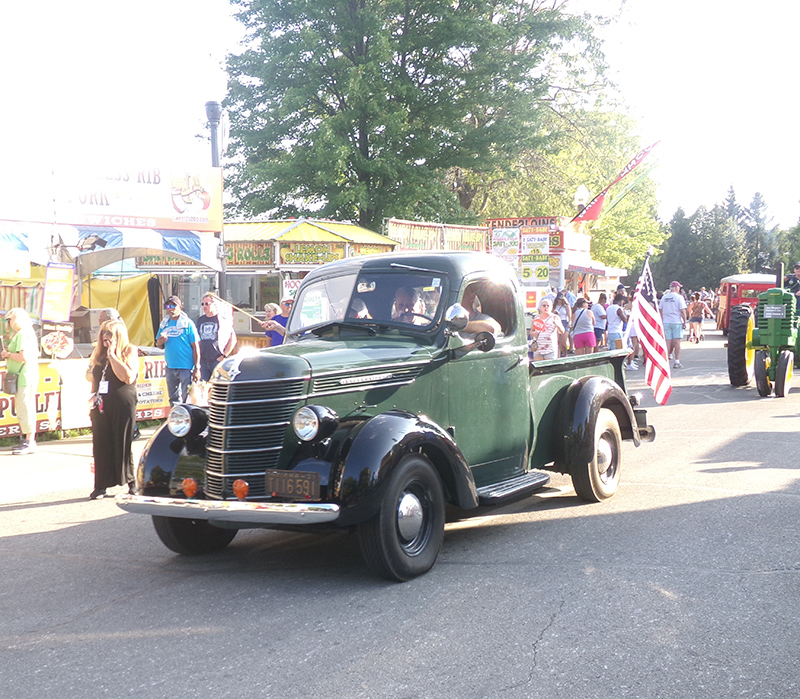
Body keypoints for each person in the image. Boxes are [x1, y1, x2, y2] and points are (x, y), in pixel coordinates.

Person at [87, 320, 139, 499]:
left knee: (122, 442)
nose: (105, 337)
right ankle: (101, 485)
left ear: (118, 336)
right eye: (102, 333)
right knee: (101, 444)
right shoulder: (98, 354)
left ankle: (131, 482)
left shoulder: (129, 351)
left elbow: (127, 377)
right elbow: (94, 379)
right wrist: (92, 398)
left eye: (109, 334)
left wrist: (112, 355)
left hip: (122, 402)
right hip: (102, 404)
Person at [1, 308, 39, 455]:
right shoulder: (24, 333)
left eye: (9, 320)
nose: (8, 323)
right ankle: (27, 439)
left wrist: (7, 354)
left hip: (24, 376)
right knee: (24, 407)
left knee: (25, 407)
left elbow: (23, 357)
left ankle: (30, 441)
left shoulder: (23, 334)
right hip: (23, 375)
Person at [155, 295, 200, 404]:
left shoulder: (187, 323)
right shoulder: (164, 324)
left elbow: (196, 346)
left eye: (173, 306)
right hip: (170, 366)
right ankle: (177, 419)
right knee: (173, 399)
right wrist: (160, 342)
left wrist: (197, 367)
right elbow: (159, 345)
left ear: (180, 307)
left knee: (187, 398)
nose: (171, 308)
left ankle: (189, 419)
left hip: (186, 367)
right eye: (168, 306)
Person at [196, 293, 237, 381]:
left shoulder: (222, 320)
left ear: (214, 304)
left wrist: (224, 355)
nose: (204, 306)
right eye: (203, 304)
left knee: (217, 385)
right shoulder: (200, 320)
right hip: (203, 360)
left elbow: (233, 339)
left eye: (207, 304)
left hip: (217, 359)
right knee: (202, 387)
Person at [660, 281, 687, 368]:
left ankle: (665, 360)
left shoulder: (664, 297)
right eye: (679, 287)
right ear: (676, 288)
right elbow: (682, 311)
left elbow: (660, 310)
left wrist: (662, 319)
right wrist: (685, 321)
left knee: (668, 341)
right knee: (677, 341)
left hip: (666, 321)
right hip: (676, 321)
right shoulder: (679, 297)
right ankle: (677, 361)